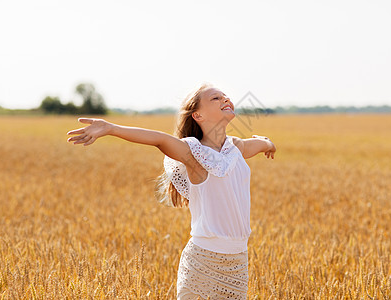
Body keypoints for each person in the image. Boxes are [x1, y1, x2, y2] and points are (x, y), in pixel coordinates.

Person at [67, 82, 276, 299]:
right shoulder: (194, 154)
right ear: (198, 116)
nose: (225, 99)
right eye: (215, 98)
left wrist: (268, 144)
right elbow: (159, 140)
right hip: (203, 263)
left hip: (238, 264)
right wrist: (111, 128)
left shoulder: (236, 149)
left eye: (225, 96)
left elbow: (261, 145)